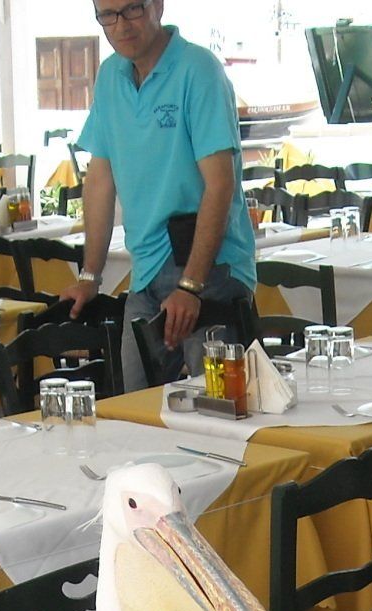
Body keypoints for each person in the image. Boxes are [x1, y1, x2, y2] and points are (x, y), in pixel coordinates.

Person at [58, 0, 256, 381]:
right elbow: (100, 179)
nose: (121, 25)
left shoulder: (198, 71)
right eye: (108, 16)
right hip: (146, 270)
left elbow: (220, 183)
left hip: (211, 270)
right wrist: (90, 276)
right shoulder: (110, 76)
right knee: (137, 410)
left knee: (220, 409)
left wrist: (191, 285)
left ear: (158, 5)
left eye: (132, 9)